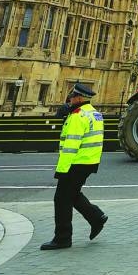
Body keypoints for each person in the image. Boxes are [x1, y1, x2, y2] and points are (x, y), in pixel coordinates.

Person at [40, 84, 107, 250]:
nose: (69, 99)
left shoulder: (77, 116)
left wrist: (62, 170)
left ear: (78, 98)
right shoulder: (95, 113)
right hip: (89, 161)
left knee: (61, 199)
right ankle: (96, 217)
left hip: (76, 162)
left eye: (72, 96)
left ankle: (62, 238)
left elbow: (71, 145)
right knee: (72, 194)